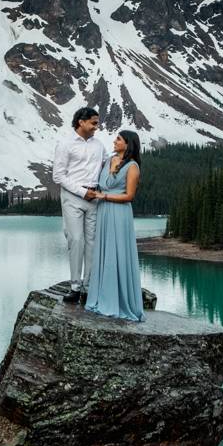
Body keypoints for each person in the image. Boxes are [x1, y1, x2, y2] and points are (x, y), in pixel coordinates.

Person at [86, 129, 143, 321]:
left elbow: (130, 196)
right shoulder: (108, 161)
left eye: (118, 139)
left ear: (128, 144)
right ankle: (102, 297)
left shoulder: (133, 166)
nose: (114, 141)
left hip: (119, 213)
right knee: (104, 252)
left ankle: (119, 301)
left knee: (117, 253)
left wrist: (105, 196)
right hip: (103, 212)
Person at [51, 106, 104, 303]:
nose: (96, 127)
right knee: (76, 240)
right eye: (94, 123)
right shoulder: (65, 144)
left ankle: (88, 287)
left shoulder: (99, 145)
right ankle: (75, 287)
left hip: (94, 197)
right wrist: (83, 192)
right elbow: (58, 176)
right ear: (81, 122)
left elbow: (106, 165)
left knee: (92, 243)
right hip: (73, 197)